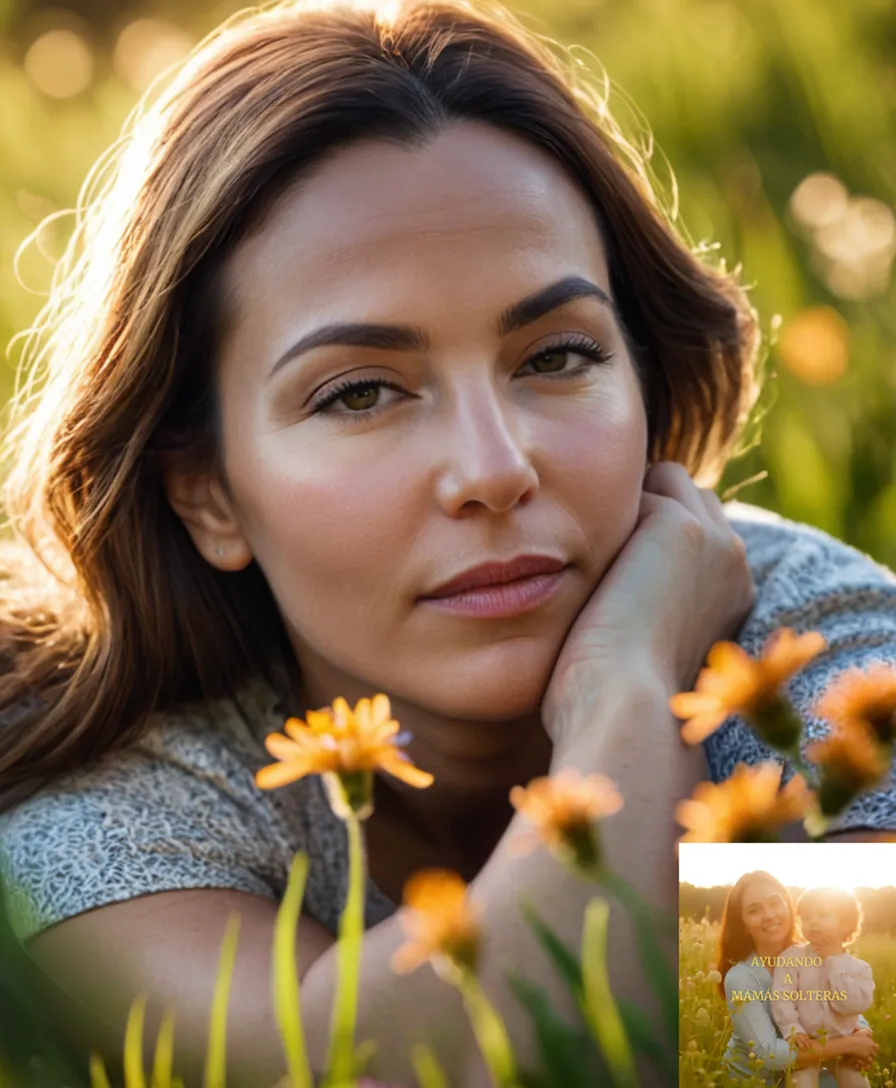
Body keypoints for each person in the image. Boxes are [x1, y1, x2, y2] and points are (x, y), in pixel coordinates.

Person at [0, 0, 894, 1085]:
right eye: (360, 390)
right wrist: (626, 689)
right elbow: (413, 1065)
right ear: (206, 493)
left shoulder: (820, 654)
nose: (492, 467)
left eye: (556, 355)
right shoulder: (101, 791)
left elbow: (829, 1054)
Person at [717, 872, 878, 1086]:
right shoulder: (741, 978)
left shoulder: (816, 953)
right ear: (743, 924)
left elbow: (839, 1002)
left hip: (813, 1064)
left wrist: (862, 1032)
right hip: (758, 1078)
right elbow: (768, 1053)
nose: (769, 915)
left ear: (788, 906)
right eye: (754, 910)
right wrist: (849, 1045)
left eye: (775, 903)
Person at [770, 886, 874, 1088]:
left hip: (844, 1048)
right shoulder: (792, 958)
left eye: (822, 915)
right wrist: (793, 1030)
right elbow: (782, 997)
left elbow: (853, 1006)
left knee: (858, 1084)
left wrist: (833, 962)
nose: (813, 922)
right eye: (806, 918)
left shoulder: (859, 968)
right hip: (807, 1043)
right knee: (800, 1084)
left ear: (846, 924)